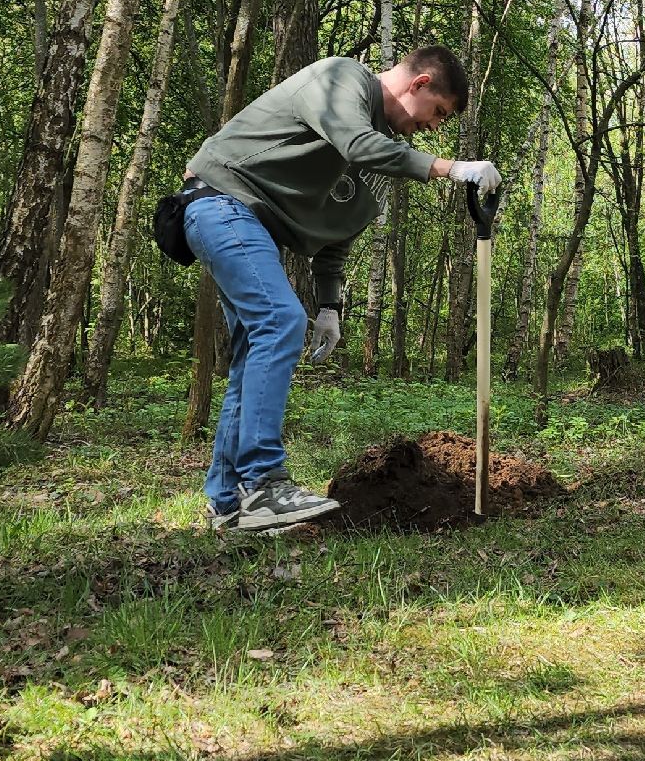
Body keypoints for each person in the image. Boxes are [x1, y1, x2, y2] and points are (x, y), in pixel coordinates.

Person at [179, 47, 500, 532]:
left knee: (253, 348)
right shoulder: (341, 79)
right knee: (280, 320)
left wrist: (329, 305)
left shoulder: (374, 148)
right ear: (419, 83)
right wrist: (449, 167)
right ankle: (263, 485)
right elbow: (357, 145)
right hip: (220, 204)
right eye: (438, 112)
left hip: (248, 227)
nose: (434, 127)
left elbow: (338, 230)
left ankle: (228, 501)